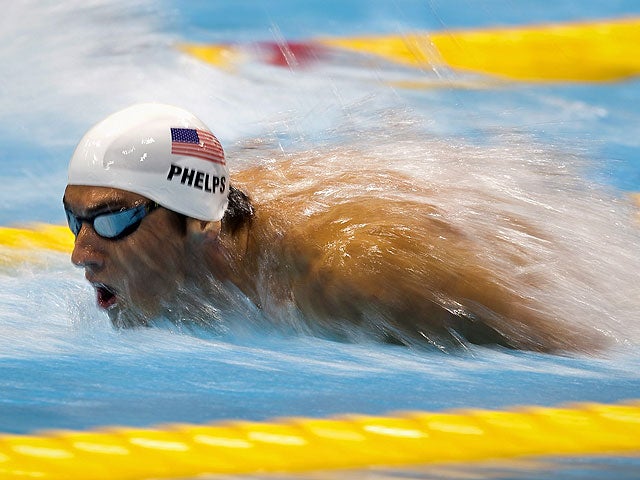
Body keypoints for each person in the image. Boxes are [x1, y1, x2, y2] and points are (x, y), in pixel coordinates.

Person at [62, 103, 603, 352]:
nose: (81, 254)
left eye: (112, 220)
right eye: (74, 220)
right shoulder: (208, 235)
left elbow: (581, 350)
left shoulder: (356, 278)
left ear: (200, 220)